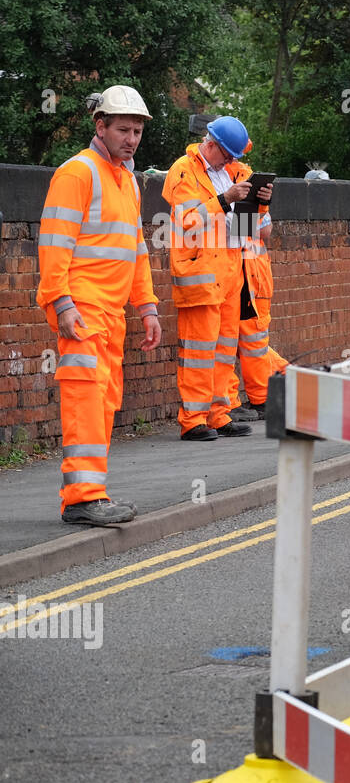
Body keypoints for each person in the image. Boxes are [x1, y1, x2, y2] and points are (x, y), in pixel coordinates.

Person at [36, 85, 162, 525]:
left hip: (111, 313)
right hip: (83, 308)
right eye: (123, 130)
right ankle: (83, 496)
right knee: (86, 398)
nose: (131, 139)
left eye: (137, 132)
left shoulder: (127, 178)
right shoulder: (78, 173)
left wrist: (147, 307)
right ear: (100, 126)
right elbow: (53, 243)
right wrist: (62, 302)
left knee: (105, 400)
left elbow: (137, 249)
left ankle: (89, 493)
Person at [162, 116, 275, 440]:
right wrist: (226, 198)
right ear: (210, 145)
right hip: (199, 272)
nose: (231, 162)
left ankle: (218, 414)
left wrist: (260, 203)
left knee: (224, 349)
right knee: (199, 351)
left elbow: (245, 230)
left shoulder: (232, 173)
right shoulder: (183, 170)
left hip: (230, 270)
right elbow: (187, 220)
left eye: (233, 157)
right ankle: (193, 420)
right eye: (227, 156)